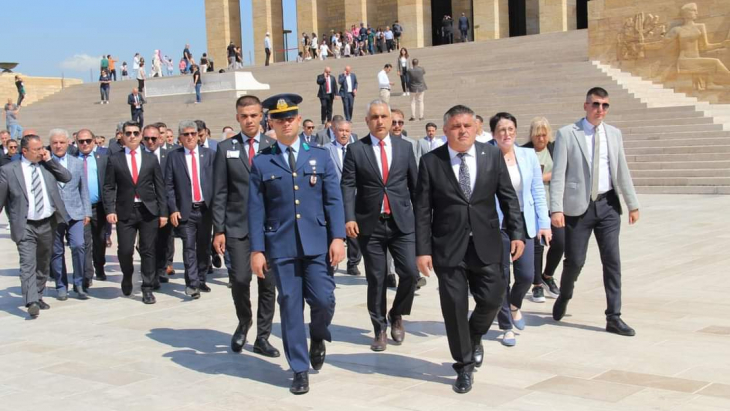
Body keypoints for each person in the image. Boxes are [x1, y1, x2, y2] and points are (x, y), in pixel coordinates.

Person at [415, 105, 525, 394]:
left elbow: (508, 197)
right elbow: (423, 209)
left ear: (476, 127)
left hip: (486, 242)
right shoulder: (430, 162)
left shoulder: (491, 156)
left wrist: (517, 233)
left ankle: (474, 334)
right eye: (455, 126)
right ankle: (463, 366)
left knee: (493, 296)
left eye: (467, 125)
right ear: (445, 130)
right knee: (453, 308)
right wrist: (422, 249)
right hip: (448, 247)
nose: (462, 130)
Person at [249, 93, 345, 394]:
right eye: (279, 119)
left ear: (297, 119)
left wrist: (339, 237)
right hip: (281, 246)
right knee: (290, 305)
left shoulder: (318, 155)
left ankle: (318, 334)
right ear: (271, 123)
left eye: (290, 118)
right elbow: (256, 208)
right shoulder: (262, 162)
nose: (286, 123)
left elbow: (333, 200)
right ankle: (299, 368)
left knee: (323, 300)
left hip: (317, 243)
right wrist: (257, 249)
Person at [551, 87, 641, 337]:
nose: (600, 109)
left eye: (604, 105)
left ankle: (614, 316)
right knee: (575, 261)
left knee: (612, 261)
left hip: (608, 205)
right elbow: (558, 174)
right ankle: (564, 295)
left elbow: (621, 169)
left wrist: (632, 204)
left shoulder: (614, 134)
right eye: (595, 104)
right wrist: (556, 208)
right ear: (585, 106)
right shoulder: (568, 134)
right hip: (578, 208)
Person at [342, 100, 419, 352]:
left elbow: (415, 187)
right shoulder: (356, 150)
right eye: (374, 117)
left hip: (401, 223)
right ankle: (379, 329)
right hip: (370, 225)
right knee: (376, 279)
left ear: (391, 118)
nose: (380, 121)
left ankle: (397, 313)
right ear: (367, 121)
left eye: (384, 116)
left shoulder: (405, 148)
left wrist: (422, 220)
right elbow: (347, 186)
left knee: (409, 273)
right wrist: (349, 217)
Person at [212, 95, 280, 357]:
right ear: (237, 118)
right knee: (240, 279)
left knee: (267, 283)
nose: (249, 120)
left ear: (262, 115)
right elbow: (219, 191)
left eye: (254, 115)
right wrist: (218, 230)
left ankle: (263, 337)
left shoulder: (273, 146)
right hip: (237, 227)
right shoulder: (225, 148)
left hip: (269, 229)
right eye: (244, 116)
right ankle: (244, 320)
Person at [489, 112, 550, 347]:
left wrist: (544, 224)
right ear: (494, 134)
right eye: (502, 130)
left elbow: (537, 191)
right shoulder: (487, 155)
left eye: (511, 129)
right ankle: (505, 327)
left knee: (525, 275)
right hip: (498, 224)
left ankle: (514, 305)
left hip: (524, 222)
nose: (507, 134)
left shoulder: (527, 155)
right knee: (502, 276)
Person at [0, 134, 72, 318]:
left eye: (42, 148)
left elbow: (66, 177)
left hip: (47, 223)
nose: (42, 151)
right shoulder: (9, 171)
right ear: (24, 151)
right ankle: (31, 300)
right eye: (37, 149)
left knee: (43, 262)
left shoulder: (47, 166)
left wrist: (50, 161)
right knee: (27, 263)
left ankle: (38, 294)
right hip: (25, 225)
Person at [103, 121, 168, 305]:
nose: (132, 136)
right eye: (128, 133)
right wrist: (110, 209)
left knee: (148, 250)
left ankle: (147, 287)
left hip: (148, 210)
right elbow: (109, 186)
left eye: (135, 133)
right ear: (122, 136)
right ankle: (127, 275)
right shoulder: (115, 158)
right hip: (126, 210)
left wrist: (163, 212)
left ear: (140, 136)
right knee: (125, 250)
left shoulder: (150, 158)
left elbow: (160, 186)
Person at [166, 120, 214, 299]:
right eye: (186, 134)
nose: (190, 137)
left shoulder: (209, 155)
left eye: (193, 133)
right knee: (188, 247)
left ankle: (201, 278)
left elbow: (216, 182)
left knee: (203, 247)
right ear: (180, 138)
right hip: (186, 210)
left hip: (205, 209)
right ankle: (191, 283)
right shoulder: (174, 156)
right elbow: (168, 185)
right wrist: (173, 208)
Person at [522, 117, 563, 303]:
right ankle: (537, 284)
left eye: (544, 135)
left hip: (554, 205)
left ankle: (548, 275)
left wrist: (542, 176)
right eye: (538, 135)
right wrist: (545, 177)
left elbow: (563, 171)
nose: (541, 139)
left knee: (560, 242)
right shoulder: (524, 151)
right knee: (537, 247)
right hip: (534, 207)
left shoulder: (554, 150)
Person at [49, 129, 92, 301]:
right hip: (54, 214)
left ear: (68, 143)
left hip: (75, 212)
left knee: (78, 245)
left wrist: (87, 212)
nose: (58, 145)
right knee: (56, 251)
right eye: (55, 143)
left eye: (61, 142)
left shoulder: (76, 163)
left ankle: (79, 283)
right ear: (50, 144)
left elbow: (84, 189)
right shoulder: (45, 163)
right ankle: (61, 285)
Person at [324, 120, 361, 276]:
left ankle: (353, 262)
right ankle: (331, 260)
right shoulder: (326, 150)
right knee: (332, 228)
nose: (344, 133)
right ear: (334, 131)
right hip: (333, 196)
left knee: (352, 230)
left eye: (347, 130)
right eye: (341, 130)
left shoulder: (358, 149)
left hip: (352, 197)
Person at [75, 129, 109, 289]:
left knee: (100, 240)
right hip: (81, 208)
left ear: (94, 141)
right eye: (81, 141)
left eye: (88, 140)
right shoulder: (73, 159)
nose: (85, 144)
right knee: (85, 242)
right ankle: (87, 275)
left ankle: (100, 265)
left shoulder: (102, 158)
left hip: (100, 207)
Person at [141, 125, 174, 288]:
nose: (151, 142)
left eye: (154, 138)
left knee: (164, 240)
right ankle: (149, 272)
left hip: (164, 204)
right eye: (147, 139)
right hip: (144, 205)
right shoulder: (138, 155)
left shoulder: (168, 155)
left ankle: (161, 268)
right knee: (147, 242)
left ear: (160, 139)